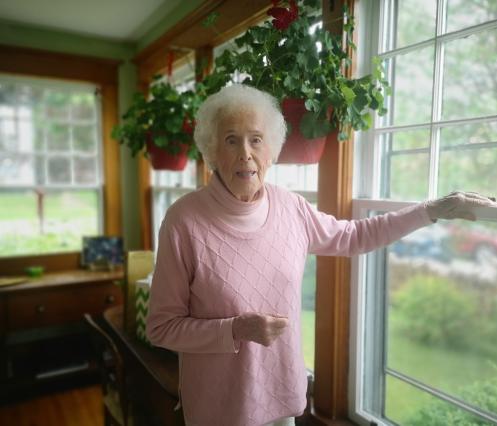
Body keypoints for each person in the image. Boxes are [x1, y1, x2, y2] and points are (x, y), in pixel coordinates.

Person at [146, 84, 496, 426]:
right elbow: (162, 328)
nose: (245, 154)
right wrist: (235, 329)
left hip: (281, 399)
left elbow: (356, 235)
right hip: (219, 409)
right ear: (211, 151)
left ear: (271, 150)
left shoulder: (292, 208)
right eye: (231, 140)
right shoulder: (184, 221)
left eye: (256, 139)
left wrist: (433, 209)